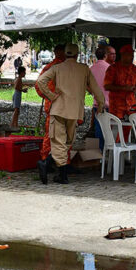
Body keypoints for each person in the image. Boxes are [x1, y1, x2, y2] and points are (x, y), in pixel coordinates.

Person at [35, 43, 107, 185]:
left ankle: (47, 163)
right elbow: (96, 89)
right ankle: (62, 176)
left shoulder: (56, 68)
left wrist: (51, 96)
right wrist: (101, 104)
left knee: (58, 141)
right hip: (75, 111)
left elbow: (40, 81)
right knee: (67, 142)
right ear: (77, 54)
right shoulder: (84, 69)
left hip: (58, 109)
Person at [38, 43, 67, 164]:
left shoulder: (65, 67)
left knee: (63, 136)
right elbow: (38, 86)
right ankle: (45, 161)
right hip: (55, 106)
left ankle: (62, 163)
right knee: (51, 135)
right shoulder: (51, 67)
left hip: (63, 106)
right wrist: (52, 97)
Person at [104, 44, 136, 119]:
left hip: (131, 105)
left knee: (128, 128)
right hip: (116, 106)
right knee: (116, 128)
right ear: (123, 55)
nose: (132, 57)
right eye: (129, 55)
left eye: (132, 55)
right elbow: (107, 86)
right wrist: (123, 88)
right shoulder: (113, 68)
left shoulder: (135, 69)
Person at [89, 44, 114, 154]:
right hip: (110, 103)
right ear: (105, 55)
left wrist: (93, 92)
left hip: (97, 103)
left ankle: (100, 152)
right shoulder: (109, 68)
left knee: (99, 128)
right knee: (111, 129)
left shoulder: (91, 69)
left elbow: (86, 85)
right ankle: (111, 151)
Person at [11, 63, 28, 128]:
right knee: (16, 110)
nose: (25, 73)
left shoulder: (18, 79)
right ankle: (13, 124)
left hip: (17, 94)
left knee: (17, 111)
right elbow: (16, 87)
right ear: (21, 73)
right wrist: (22, 90)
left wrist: (22, 90)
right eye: (24, 72)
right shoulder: (18, 79)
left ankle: (15, 124)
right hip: (17, 94)